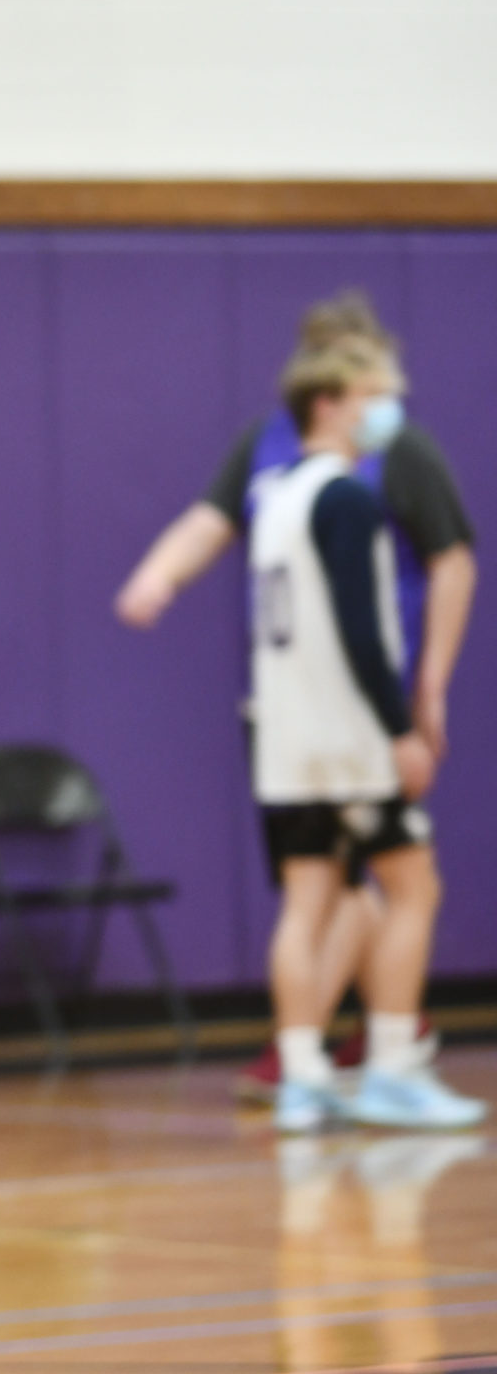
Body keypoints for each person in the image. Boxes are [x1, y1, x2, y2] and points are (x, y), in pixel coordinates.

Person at [117, 295, 477, 1099]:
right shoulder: (315, 477)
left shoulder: (352, 470)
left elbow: (453, 563)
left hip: (334, 702)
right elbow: (213, 527)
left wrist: (433, 686)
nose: (383, 398)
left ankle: (316, 1047)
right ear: (334, 387)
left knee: (336, 887)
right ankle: (365, 1047)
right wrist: (161, 570)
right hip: (344, 707)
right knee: (376, 883)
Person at [241, 339, 483, 1132]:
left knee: (307, 902)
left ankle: (304, 1074)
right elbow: (358, 630)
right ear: (329, 402)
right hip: (346, 739)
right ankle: (390, 1063)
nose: (389, 410)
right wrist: (399, 727)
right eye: (374, 392)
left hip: (285, 739)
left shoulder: (272, 496)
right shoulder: (344, 499)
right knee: (414, 885)